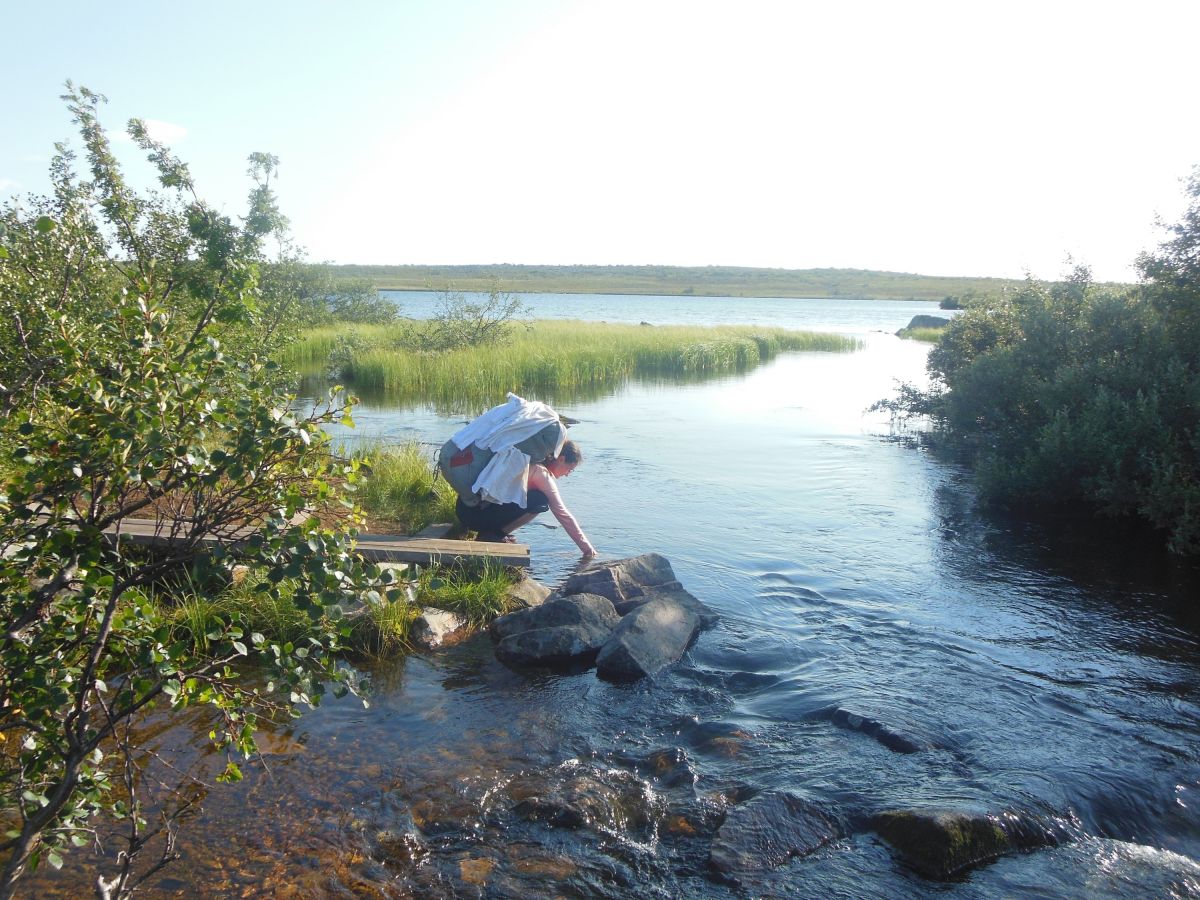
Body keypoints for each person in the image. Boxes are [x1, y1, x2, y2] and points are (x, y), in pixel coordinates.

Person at [455, 439, 596, 558]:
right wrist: (588, 550)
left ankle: (493, 532)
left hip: (464, 508)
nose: (567, 474)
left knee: (529, 497)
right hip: (474, 516)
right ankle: (494, 534)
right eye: (569, 469)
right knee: (540, 501)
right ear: (561, 459)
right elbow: (563, 514)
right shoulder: (541, 473)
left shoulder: (529, 460)